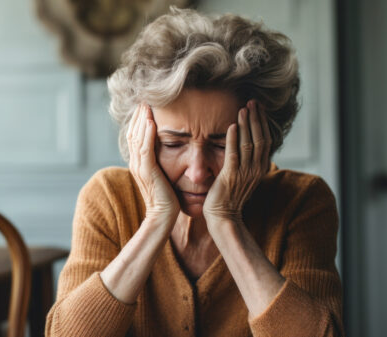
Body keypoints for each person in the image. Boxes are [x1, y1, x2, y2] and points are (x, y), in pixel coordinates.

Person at [46, 7, 343, 337]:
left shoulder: (303, 201)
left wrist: (226, 221)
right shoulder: (108, 197)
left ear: (262, 139)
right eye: (173, 144)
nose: (198, 173)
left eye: (220, 143)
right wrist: (157, 219)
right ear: (139, 140)